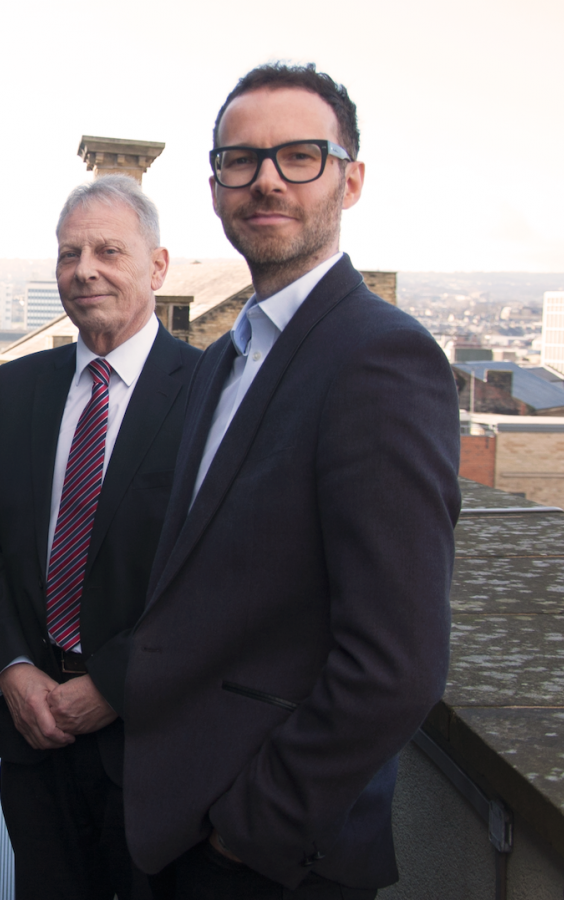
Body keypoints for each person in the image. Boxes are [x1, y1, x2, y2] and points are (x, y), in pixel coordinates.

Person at [122, 63, 461, 899]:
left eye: (300, 155)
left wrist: (249, 832)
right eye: (242, 159)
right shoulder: (225, 361)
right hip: (181, 828)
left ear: (350, 180)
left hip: (272, 863)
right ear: (214, 187)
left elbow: (397, 664)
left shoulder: (381, 357)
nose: (267, 178)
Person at [0, 176, 201, 900]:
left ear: (157, 268)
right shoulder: (19, 387)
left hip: (153, 740)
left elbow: (217, 572)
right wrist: (10, 668)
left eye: (107, 250)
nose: (85, 270)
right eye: (70, 254)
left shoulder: (210, 393)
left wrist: (115, 686)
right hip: (32, 734)